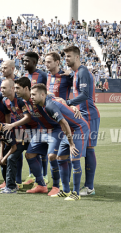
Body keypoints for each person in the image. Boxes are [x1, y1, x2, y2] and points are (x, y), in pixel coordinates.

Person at [30, 83, 89, 200]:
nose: (31, 97)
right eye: (31, 94)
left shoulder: (49, 106)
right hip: (70, 130)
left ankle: (76, 193)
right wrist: (70, 106)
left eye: (33, 95)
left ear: (42, 95)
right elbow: (57, 98)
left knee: (74, 158)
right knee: (60, 158)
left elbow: (64, 123)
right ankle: (66, 191)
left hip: (79, 128)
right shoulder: (47, 99)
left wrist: (71, 144)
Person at [62, 45, 101, 196]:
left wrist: (68, 102)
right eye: (65, 56)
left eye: (69, 56)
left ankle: (89, 187)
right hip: (81, 115)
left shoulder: (83, 72)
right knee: (77, 148)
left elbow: (85, 94)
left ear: (77, 57)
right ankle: (76, 184)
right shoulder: (77, 73)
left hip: (89, 115)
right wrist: (69, 75)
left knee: (89, 149)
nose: (67, 59)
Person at [0, 78, 37, 190]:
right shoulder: (4, 101)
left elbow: (28, 117)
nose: (1, 90)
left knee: (38, 155)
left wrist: (11, 125)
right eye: (1, 87)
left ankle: (41, 181)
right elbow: (8, 115)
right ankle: (13, 184)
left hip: (35, 130)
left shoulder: (21, 100)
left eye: (4, 88)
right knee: (14, 155)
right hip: (21, 131)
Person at [22, 51, 48, 185]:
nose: (24, 63)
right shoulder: (25, 76)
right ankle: (32, 174)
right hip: (30, 116)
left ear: (34, 62)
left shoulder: (42, 75)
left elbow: (46, 93)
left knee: (41, 148)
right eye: (24, 61)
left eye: (27, 61)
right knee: (31, 147)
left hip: (41, 115)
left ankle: (45, 175)